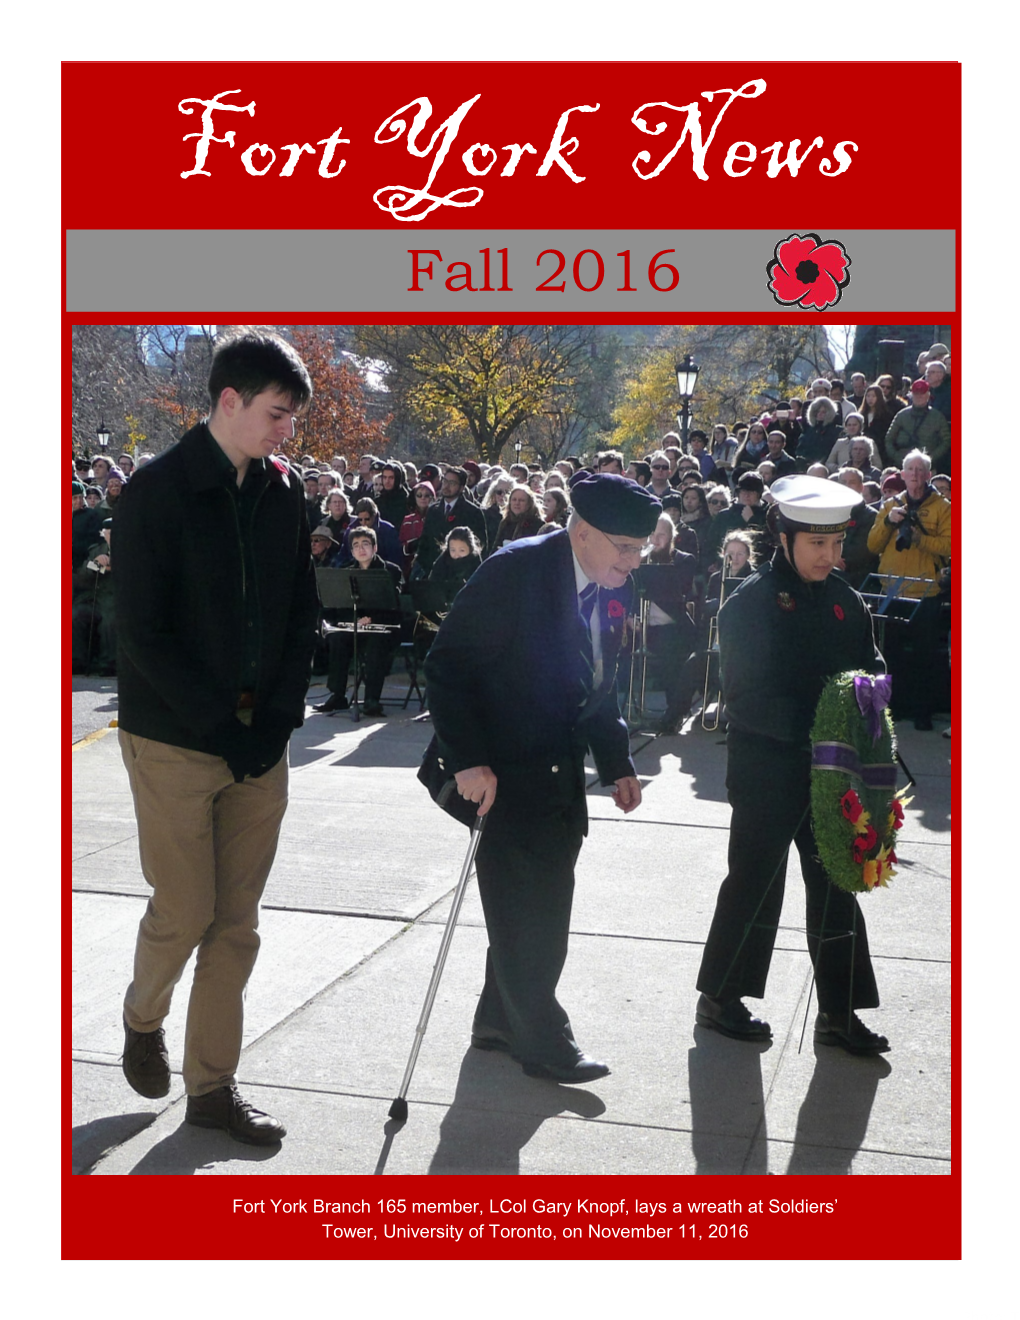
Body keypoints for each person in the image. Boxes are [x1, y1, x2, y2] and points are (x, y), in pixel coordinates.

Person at [114, 330, 318, 1145]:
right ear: (227, 402)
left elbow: (301, 613)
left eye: (292, 418)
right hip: (172, 736)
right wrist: (217, 729)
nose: (286, 432)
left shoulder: (284, 491)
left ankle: (211, 1090)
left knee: (237, 921)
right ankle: (140, 1015)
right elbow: (143, 635)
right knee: (186, 907)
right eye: (276, 414)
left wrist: (276, 721)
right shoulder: (154, 493)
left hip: (258, 741)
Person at [424, 473, 660, 1082]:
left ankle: (498, 1018)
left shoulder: (610, 583)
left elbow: (599, 680)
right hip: (499, 769)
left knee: (536, 898)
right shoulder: (516, 571)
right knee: (534, 910)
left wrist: (616, 761)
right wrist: (468, 758)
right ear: (582, 532)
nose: (634, 562)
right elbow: (447, 665)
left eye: (642, 548)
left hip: (557, 769)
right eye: (625, 547)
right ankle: (543, 1040)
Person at [695, 475, 889, 1056]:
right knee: (755, 882)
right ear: (784, 538)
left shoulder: (844, 599)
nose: (831, 557)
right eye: (817, 546)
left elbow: (871, 663)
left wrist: (873, 694)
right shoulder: (750, 604)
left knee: (836, 885)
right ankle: (721, 998)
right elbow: (748, 698)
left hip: (830, 774)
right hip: (768, 771)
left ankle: (839, 1011)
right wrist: (823, 732)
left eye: (836, 546)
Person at [866, 449, 951, 730]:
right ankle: (895, 708)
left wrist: (919, 538)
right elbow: (873, 545)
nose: (915, 475)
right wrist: (890, 522)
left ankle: (922, 712)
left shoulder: (944, 507)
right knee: (892, 655)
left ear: (928, 474)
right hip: (892, 590)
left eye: (920, 470)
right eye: (910, 470)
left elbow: (951, 546)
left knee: (924, 657)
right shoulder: (890, 505)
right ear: (901, 474)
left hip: (925, 592)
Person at [314, 525, 403, 717]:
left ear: (375, 548)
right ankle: (338, 695)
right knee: (337, 640)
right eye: (356, 545)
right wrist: (353, 620)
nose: (361, 549)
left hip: (383, 629)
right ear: (352, 551)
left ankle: (372, 699)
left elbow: (395, 606)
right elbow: (340, 608)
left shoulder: (391, 571)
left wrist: (372, 618)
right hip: (355, 628)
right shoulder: (346, 573)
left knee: (375, 645)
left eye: (365, 544)